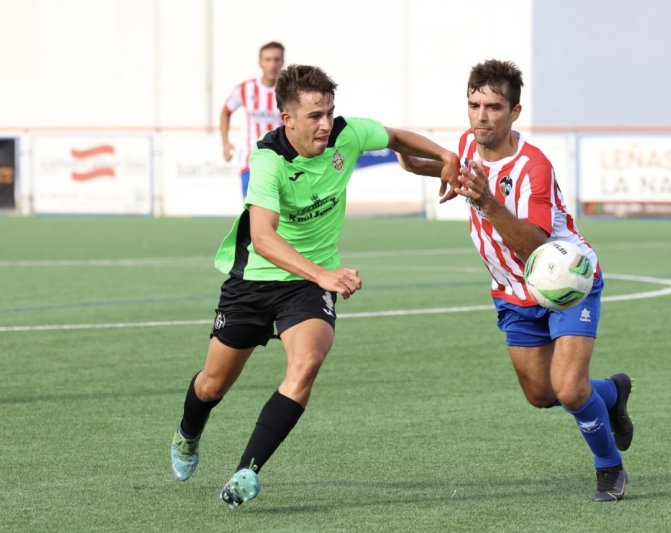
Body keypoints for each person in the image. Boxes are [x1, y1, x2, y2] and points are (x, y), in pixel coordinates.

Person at [170, 64, 461, 508]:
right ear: (287, 119)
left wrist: (447, 157)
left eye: (329, 112)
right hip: (254, 281)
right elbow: (264, 238)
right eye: (314, 116)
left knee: (305, 365)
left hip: (306, 289)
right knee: (212, 386)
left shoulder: (348, 135)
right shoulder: (268, 159)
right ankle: (188, 434)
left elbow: (397, 136)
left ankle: (247, 471)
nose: (325, 123)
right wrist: (323, 274)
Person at [397, 59, 634, 502]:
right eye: (474, 105)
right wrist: (420, 164)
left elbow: (537, 247)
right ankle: (611, 393)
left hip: (566, 281)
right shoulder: (469, 142)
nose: (481, 116)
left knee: (567, 387)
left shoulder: (533, 167)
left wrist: (487, 202)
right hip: (512, 291)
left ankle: (610, 469)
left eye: (493, 107)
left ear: (515, 112)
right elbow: (460, 168)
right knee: (542, 394)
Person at [220, 41, 285, 197]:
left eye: (276, 59)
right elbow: (225, 112)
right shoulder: (245, 89)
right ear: (260, 62)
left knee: (281, 215)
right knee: (251, 212)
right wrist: (225, 143)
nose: (272, 65)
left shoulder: (289, 92)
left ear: (282, 62)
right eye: (268, 59)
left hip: (282, 162)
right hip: (251, 161)